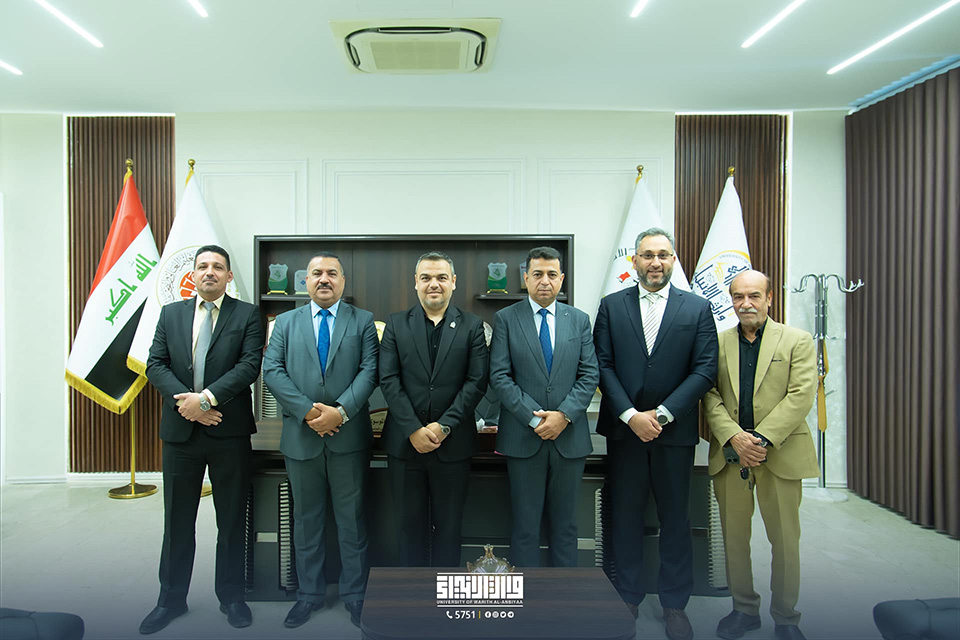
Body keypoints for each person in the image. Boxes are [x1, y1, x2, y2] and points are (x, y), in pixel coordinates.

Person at [593, 228, 718, 640]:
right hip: (625, 431)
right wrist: (631, 415)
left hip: (674, 433)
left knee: (676, 520)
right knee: (625, 517)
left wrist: (661, 415)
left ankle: (674, 605)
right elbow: (602, 365)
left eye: (663, 254)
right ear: (635, 261)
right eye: (647, 255)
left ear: (673, 260)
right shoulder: (612, 306)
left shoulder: (697, 308)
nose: (655, 262)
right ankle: (626, 597)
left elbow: (705, 369)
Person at [141, 245, 264, 634]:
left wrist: (206, 399)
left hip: (228, 431)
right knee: (177, 521)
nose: (210, 272)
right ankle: (170, 599)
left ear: (229, 276)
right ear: (192, 275)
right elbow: (155, 364)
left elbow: (249, 366)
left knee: (231, 519)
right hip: (181, 434)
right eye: (203, 266)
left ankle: (232, 597)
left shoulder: (247, 315)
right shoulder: (170, 314)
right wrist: (188, 405)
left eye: (218, 267)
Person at [262, 251, 379, 629]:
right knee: (306, 520)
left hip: (349, 437)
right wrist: (309, 412)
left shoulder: (363, 321)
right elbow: (272, 370)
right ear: (306, 281)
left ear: (343, 281)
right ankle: (309, 595)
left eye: (332, 273)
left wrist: (340, 412)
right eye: (316, 273)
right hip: (301, 437)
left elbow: (370, 371)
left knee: (352, 521)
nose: (324, 279)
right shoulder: (284, 322)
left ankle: (355, 594)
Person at [703, 270, 818, 640]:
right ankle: (744, 609)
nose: (746, 303)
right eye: (738, 296)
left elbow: (801, 394)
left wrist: (761, 439)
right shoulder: (717, 342)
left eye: (754, 296)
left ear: (769, 298)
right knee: (734, 538)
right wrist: (735, 437)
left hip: (780, 454)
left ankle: (786, 618)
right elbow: (709, 394)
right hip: (732, 454)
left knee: (784, 541)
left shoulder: (797, 340)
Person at [489, 246, 599, 567]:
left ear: (561, 279)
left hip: (569, 438)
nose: (545, 281)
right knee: (525, 528)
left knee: (566, 528)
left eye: (552, 275)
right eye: (537, 274)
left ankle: (563, 594)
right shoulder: (506, 319)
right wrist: (534, 419)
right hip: (523, 439)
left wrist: (563, 415)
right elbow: (499, 376)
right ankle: (529, 594)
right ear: (526, 278)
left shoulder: (578, 320)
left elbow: (589, 374)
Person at [379, 251, 489, 567]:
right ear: (416, 282)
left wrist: (444, 426)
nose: (434, 284)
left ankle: (442, 592)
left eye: (441, 277)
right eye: (426, 278)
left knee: (449, 529)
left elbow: (476, 382)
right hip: (405, 445)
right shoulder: (396, 324)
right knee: (407, 529)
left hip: (453, 445)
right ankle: (412, 594)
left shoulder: (472, 327)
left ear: (453, 282)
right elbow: (388, 380)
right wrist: (414, 428)